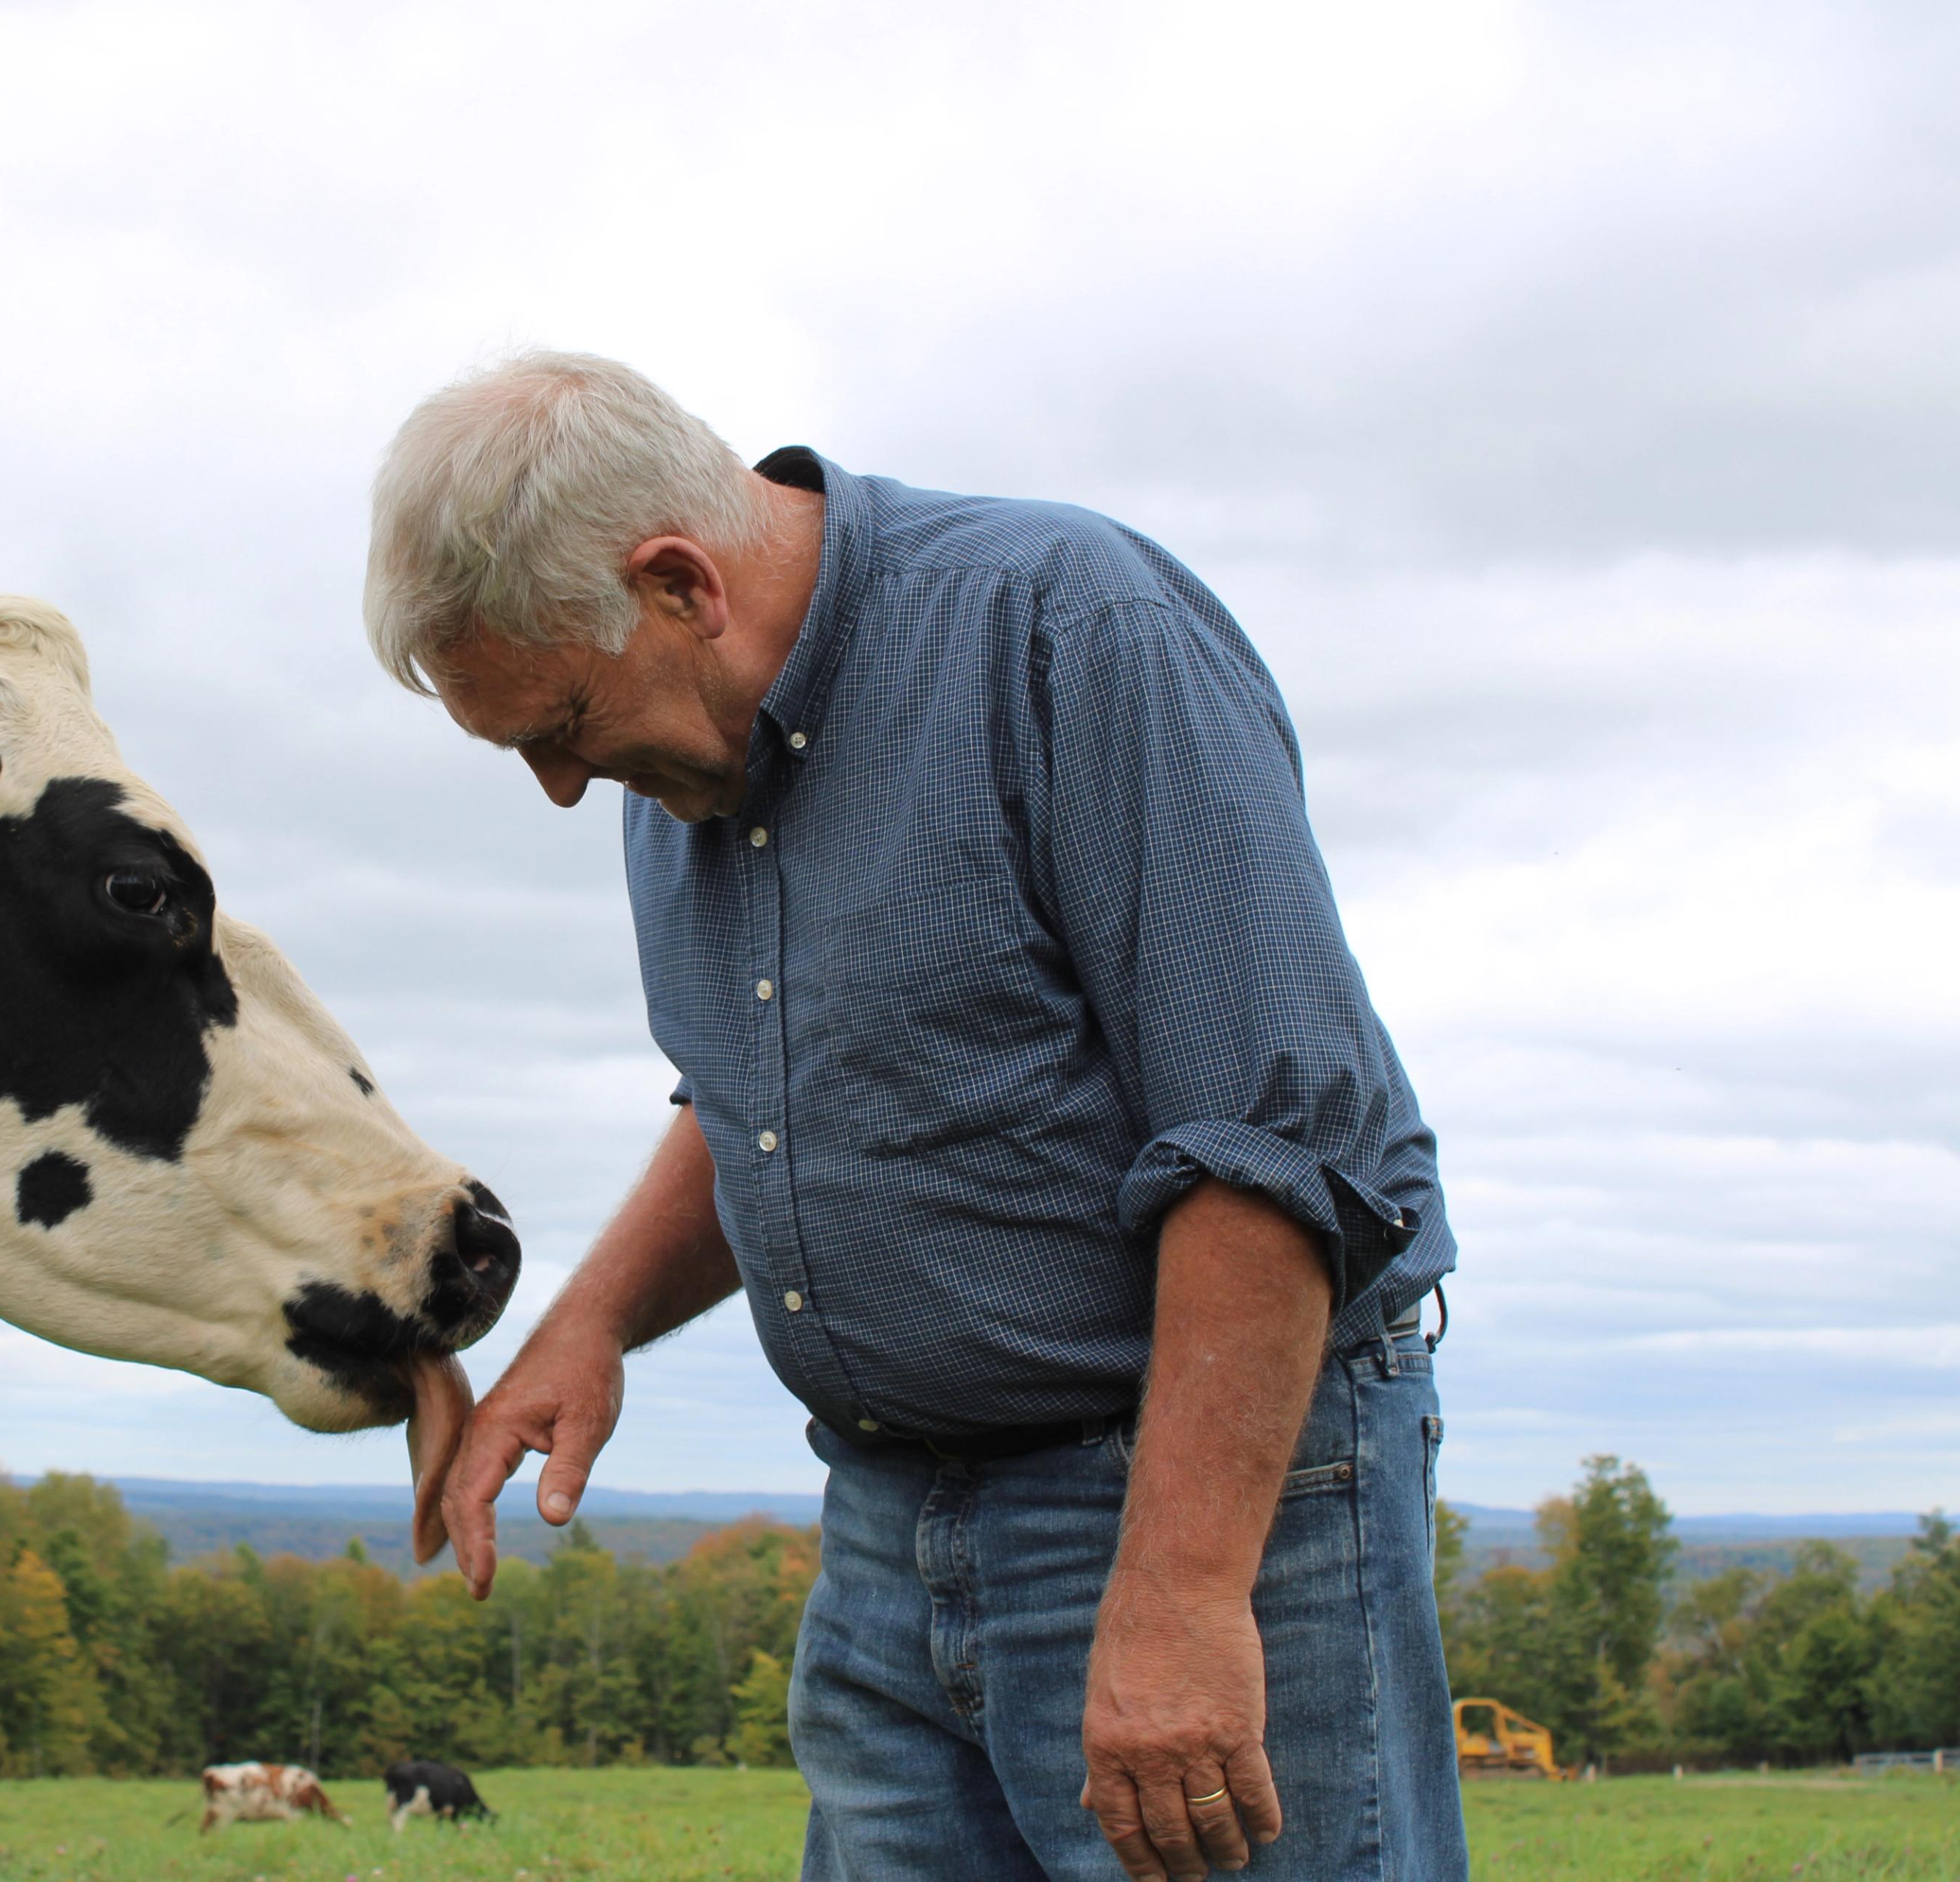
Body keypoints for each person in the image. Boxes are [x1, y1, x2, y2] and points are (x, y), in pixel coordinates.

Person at [362, 352, 1466, 1882]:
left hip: (1203, 1489)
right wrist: (593, 1319)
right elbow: (783, 1089)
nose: (561, 787)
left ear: (679, 583)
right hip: (891, 1517)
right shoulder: (680, 762)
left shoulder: (1068, 625)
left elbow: (1269, 1145)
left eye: (559, 721)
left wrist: (1183, 1592)